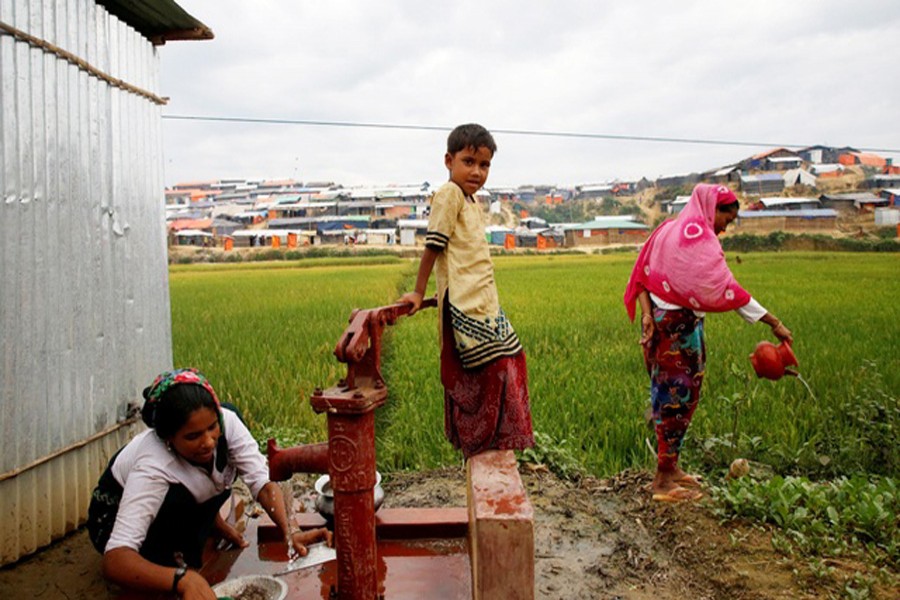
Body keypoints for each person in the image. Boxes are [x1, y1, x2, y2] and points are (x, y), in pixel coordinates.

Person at [87, 368, 331, 600]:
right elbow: (116, 559)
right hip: (113, 517)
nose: (208, 442)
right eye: (192, 436)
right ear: (168, 438)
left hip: (178, 506)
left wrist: (291, 531)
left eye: (212, 427)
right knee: (173, 570)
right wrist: (181, 580)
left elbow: (263, 484)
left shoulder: (227, 422)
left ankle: (202, 532)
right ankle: (173, 555)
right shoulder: (153, 465)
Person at [624, 184, 793, 502]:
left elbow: (642, 277)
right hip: (675, 332)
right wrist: (774, 322)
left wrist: (648, 314)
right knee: (674, 400)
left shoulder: (670, 231)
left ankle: (671, 468)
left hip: (682, 327)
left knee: (682, 399)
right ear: (711, 208)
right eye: (725, 220)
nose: (724, 229)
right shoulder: (697, 241)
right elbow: (728, 288)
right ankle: (662, 482)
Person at [399, 123, 534, 458]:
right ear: (449, 160)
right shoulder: (448, 195)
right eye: (469, 161)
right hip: (464, 303)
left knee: (507, 363)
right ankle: (481, 445)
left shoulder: (470, 199)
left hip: (483, 300)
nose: (477, 171)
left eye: (484, 165)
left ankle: (491, 446)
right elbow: (433, 246)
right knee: (493, 368)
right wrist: (418, 292)